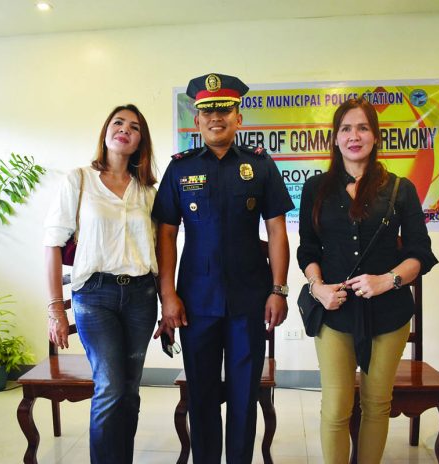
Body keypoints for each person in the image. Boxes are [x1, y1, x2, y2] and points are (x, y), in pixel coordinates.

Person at [152, 73, 294, 464]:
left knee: (245, 395)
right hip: (195, 301)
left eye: (225, 110)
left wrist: (278, 290)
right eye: (207, 111)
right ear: (196, 122)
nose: (216, 118)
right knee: (202, 394)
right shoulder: (179, 169)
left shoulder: (261, 166)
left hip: (250, 300)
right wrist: (168, 296)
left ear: (239, 119)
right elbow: (165, 237)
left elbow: (278, 232)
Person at [297, 97, 438, 464]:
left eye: (362, 128)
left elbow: (420, 254)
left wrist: (387, 280)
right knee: (336, 407)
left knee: (377, 403)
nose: (354, 136)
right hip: (334, 310)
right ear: (335, 137)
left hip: (388, 313)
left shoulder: (399, 189)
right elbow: (307, 251)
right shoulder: (316, 189)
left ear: (375, 137)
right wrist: (317, 288)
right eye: (346, 128)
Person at [42, 104, 158, 464]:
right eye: (118, 122)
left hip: (142, 296)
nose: (125, 129)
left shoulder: (147, 191)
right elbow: (53, 243)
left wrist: (169, 300)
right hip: (95, 295)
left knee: (130, 391)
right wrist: (55, 309)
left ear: (140, 141)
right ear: (106, 131)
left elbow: (161, 249)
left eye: (134, 127)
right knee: (109, 387)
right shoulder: (78, 179)